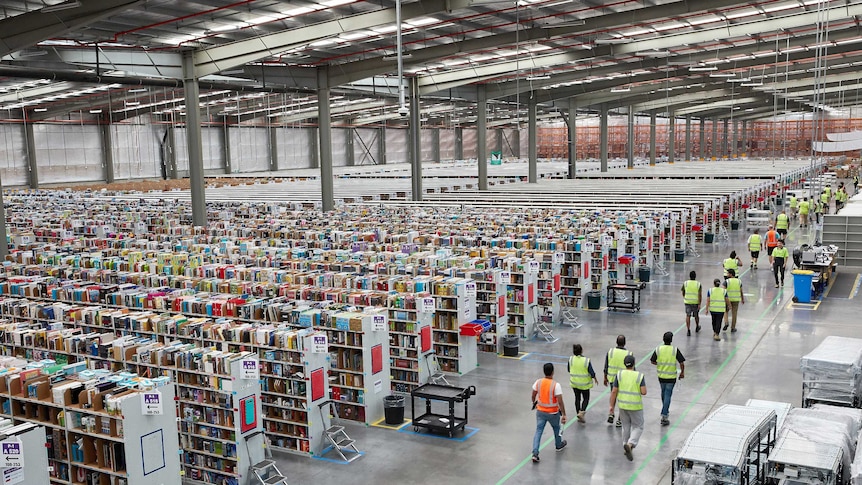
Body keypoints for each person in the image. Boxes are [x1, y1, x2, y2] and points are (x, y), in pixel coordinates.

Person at [609, 355, 646, 461]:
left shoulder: (619, 375)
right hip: (635, 406)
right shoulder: (639, 376)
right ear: (634, 363)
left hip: (623, 406)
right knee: (638, 427)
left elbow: (614, 391)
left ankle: (626, 445)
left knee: (626, 426)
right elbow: (643, 391)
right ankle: (630, 444)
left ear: (624, 364)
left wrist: (611, 406)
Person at [531, 363, 567, 463]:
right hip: (553, 413)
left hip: (540, 412)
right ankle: (558, 445)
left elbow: (533, 394)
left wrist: (534, 402)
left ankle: (535, 452)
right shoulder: (556, 385)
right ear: (553, 372)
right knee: (556, 428)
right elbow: (560, 401)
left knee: (538, 431)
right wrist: (563, 414)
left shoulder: (538, 382)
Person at [650, 331, 685, 426]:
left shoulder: (658, 349)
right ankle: (664, 415)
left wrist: (660, 364)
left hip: (661, 376)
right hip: (671, 377)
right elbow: (681, 362)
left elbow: (652, 361)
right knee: (668, 395)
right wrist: (682, 372)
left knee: (663, 393)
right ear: (671, 340)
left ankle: (665, 409)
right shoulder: (674, 350)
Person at [604, 335, 633, 427]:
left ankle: (611, 413)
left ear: (616, 342)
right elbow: (632, 368)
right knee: (622, 399)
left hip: (612, 378)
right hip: (624, 380)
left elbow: (606, 366)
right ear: (624, 343)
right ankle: (620, 420)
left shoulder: (610, 352)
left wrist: (605, 377)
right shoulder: (629, 354)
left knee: (613, 396)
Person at [568, 344, 599, 423]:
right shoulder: (586, 360)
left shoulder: (571, 359)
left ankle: (578, 413)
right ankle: (582, 412)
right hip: (584, 384)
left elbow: (568, 369)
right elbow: (591, 372)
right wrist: (595, 378)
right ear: (581, 351)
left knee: (577, 398)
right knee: (586, 398)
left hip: (574, 383)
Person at [681, 271, 702, 336]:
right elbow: (700, 295)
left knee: (688, 315)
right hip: (695, 302)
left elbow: (683, 292)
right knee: (696, 315)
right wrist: (699, 303)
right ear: (695, 276)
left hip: (687, 302)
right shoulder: (698, 284)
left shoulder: (685, 283)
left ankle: (688, 330)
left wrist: (685, 297)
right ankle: (697, 326)